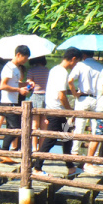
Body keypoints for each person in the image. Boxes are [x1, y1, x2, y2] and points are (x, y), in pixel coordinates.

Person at [32, 48, 82, 177]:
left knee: (67, 137)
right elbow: (61, 96)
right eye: (76, 63)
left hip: (55, 110)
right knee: (50, 139)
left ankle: (70, 166)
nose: (75, 66)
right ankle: (37, 168)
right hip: (56, 111)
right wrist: (69, 110)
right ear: (73, 59)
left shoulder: (54, 69)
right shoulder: (62, 72)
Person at [0, 45, 32, 160]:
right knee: (15, 128)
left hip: (13, 101)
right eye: (25, 58)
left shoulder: (16, 68)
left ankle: (5, 153)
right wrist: (19, 90)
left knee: (12, 128)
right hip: (8, 102)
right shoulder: (9, 67)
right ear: (18, 55)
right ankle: (3, 152)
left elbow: (14, 84)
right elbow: (2, 86)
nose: (26, 60)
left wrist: (27, 85)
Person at [69, 51, 103, 157]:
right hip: (96, 99)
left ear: (84, 55)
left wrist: (75, 93)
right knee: (96, 127)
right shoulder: (101, 67)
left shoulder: (80, 65)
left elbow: (70, 80)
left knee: (79, 126)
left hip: (82, 98)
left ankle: (75, 152)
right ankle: (94, 154)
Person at [27, 56, 49, 151]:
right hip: (46, 97)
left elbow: (28, 86)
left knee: (34, 124)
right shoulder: (48, 71)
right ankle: (41, 148)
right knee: (44, 124)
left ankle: (34, 148)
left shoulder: (32, 70)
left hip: (35, 96)